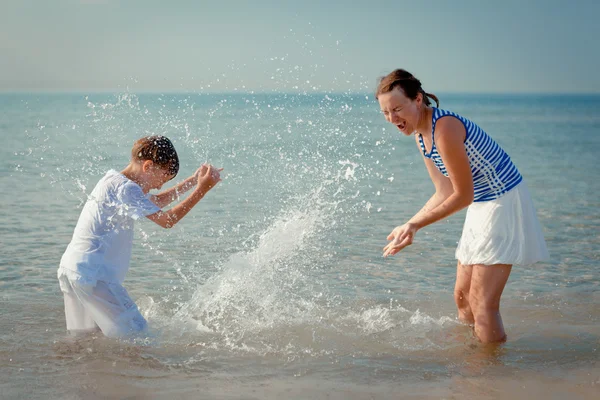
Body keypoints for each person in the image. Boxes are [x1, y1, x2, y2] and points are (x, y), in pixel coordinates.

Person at [376, 69, 548, 343]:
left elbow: (462, 196)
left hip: (502, 201)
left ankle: (488, 374)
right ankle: (476, 354)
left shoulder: (444, 128)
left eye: (397, 109)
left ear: (418, 100)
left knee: (482, 304)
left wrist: (417, 225)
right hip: (481, 204)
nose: (392, 119)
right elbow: (443, 191)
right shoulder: (422, 136)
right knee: (462, 298)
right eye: (385, 112)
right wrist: (408, 225)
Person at [57, 135, 222, 338]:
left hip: (73, 269)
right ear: (148, 166)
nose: (160, 185)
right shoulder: (126, 188)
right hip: (95, 275)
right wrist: (201, 190)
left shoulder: (113, 180)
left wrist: (192, 182)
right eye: (162, 178)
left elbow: (156, 201)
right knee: (139, 336)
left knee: (84, 338)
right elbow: (167, 220)